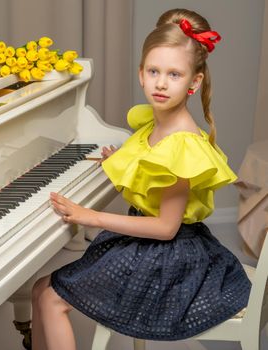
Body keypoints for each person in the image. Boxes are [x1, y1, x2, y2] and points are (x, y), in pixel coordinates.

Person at [31, 8, 251, 350]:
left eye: (174, 74)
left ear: (195, 81)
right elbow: (149, 177)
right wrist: (122, 163)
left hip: (167, 256)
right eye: (154, 71)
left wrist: (92, 216)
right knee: (41, 289)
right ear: (141, 74)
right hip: (150, 245)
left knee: (50, 298)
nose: (161, 83)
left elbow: (166, 227)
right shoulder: (156, 123)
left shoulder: (182, 143)